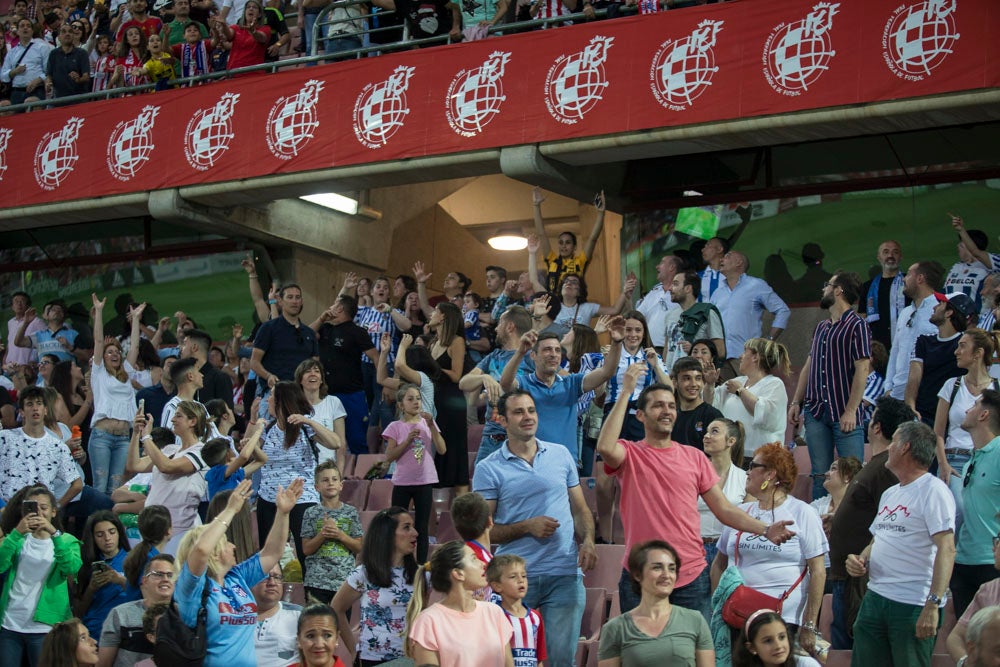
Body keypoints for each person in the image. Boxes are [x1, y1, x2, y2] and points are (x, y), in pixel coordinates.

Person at [597, 364, 795, 619]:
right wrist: (626, 392)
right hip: (641, 574)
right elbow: (605, 447)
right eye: (658, 406)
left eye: (671, 406)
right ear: (641, 415)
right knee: (641, 645)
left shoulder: (695, 457)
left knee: (694, 645)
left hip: (690, 576)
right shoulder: (630, 453)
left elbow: (724, 509)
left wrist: (765, 530)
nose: (667, 411)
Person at [473, 390, 598, 667]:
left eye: (531, 410)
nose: (527, 417)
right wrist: (526, 527)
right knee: (513, 661)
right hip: (513, 577)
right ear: (502, 420)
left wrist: (589, 540)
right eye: (518, 412)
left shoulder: (561, 454)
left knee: (561, 660)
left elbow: (580, 509)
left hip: (564, 573)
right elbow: (483, 532)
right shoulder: (488, 468)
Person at [846, 421, 956, 667]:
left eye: (893, 441)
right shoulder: (890, 493)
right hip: (875, 596)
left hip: (913, 602)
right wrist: (861, 559)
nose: (888, 447)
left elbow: (947, 548)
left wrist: (933, 604)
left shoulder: (934, 491)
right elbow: (878, 539)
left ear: (905, 447)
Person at [175, 477, 303, 667]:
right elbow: (201, 550)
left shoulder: (237, 577)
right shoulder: (192, 587)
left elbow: (272, 553)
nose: (233, 546)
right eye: (226, 542)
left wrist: (283, 513)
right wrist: (230, 510)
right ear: (214, 551)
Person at [712, 442, 827, 653]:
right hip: (737, 615)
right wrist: (718, 608)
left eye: (753, 466)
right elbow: (718, 564)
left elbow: (818, 571)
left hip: (782, 621)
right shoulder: (741, 512)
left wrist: (809, 624)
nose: (747, 472)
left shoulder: (803, 512)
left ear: (770, 474)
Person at [826, 396, 914, 650]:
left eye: (872, 417)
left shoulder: (885, 469)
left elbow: (890, 521)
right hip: (848, 574)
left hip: (859, 577)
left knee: (854, 648)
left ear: (876, 427)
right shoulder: (877, 466)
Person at [789, 272, 871, 500]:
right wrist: (796, 401)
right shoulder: (821, 327)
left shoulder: (858, 325)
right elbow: (809, 365)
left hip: (844, 412)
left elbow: (863, 369)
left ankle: (849, 519)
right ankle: (819, 517)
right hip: (816, 411)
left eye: (828, 285)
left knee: (851, 474)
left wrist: (851, 410)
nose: (823, 289)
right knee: (819, 475)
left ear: (838, 290)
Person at [500, 323, 625, 464]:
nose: (553, 354)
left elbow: (606, 372)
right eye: (547, 350)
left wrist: (617, 342)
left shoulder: (572, 383)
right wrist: (520, 352)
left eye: (557, 350)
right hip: (532, 463)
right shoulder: (524, 383)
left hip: (566, 464)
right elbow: (505, 383)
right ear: (533, 355)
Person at [257, 381, 341, 572]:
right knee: (268, 555)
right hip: (269, 497)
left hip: (302, 497)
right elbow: (248, 454)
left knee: (307, 554)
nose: (268, 400)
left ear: (281, 401)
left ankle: (311, 590)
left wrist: (309, 421)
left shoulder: (304, 427)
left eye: (272, 396)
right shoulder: (267, 428)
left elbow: (335, 443)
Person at [0, 484, 82, 667]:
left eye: (44, 508)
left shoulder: (67, 540)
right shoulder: (17, 539)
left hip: (46, 626)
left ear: (53, 512)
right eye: (33, 508)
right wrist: (16, 533)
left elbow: (71, 568)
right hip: (10, 622)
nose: (39, 513)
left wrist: (55, 534)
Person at [599, 540, 714, 667]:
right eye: (657, 567)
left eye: (672, 569)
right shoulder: (615, 629)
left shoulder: (696, 621)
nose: (666, 575)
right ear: (637, 575)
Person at [330, 506, 419, 665]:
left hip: (411, 659)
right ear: (387, 534)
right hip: (371, 659)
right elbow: (336, 608)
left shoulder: (422, 575)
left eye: (413, 526)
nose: (415, 533)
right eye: (406, 527)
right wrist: (353, 649)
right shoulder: (364, 573)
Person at [406, 539, 514, 666]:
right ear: (458, 573)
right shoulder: (429, 621)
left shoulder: (494, 612)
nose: (483, 564)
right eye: (474, 559)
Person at [933, 329, 999, 520]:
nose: (956, 351)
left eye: (962, 346)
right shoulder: (952, 385)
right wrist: (943, 464)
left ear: (978, 353)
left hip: (987, 460)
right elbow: (937, 432)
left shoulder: (997, 388)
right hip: (953, 459)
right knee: (960, 510)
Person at [459, 305, 534, 464]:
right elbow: (464, 383)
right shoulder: (494, 356)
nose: (496, 328)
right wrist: (483, 377)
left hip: (520, 436)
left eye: (500, 323)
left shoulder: (530, 356)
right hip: (491, 438)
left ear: (510, 326)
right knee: (481, 479)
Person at [129, 401, 210, 550]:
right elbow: (134, 465)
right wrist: (136, 433)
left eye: (178, 416)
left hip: (180, 531)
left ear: (192, 421)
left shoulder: (201, 452)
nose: (172, 419)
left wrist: (147, 437)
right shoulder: (169, 450)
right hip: (152, 528)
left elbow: (166, 467)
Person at [383, 383, 446, 563]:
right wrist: (407, 441)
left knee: (422, 527)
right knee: (397, 524)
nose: (416, 402)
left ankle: (421, 566)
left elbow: (442, 449)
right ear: (401, 405)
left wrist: (432, 426)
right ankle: (398, 562)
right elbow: (389, 456)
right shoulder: (395, 426)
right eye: (410, 399)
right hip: (402, 482)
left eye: (418, 398)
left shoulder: (427, 423)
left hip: (424, 481)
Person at [951, 389, 1000, 618]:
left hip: (992, 563)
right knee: (967, 635)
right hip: (964, 562)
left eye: (973, 405)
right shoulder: (972, 458)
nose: (966, 410)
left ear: (983, 415)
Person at [89, 294, 144, 496]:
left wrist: (135, 320)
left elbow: (135, 346)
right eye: (109, 352)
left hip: (123, 439)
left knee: (115, 489)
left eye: (117, 352)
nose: (115, 354)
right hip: (102, 437)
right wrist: (99, 312)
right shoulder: (99, 373)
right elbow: (98, 340)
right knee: (100, 486)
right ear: (102, 357)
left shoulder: (126, 373)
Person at [311, 295, 378, 456]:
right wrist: (321, 318)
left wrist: (381, 384)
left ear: (339, 308)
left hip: (351, 394)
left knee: (357, 439)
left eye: (334, 304)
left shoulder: (357, 332)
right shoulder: (325, 328)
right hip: (325, 394)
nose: (330, 307)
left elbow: (376, 357)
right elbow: (305, 334)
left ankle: (361, 470)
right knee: (325, 439)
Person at [709, 251, 790, 381]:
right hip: (721, 358)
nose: (721, 260)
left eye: (727, 256)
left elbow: (783, 310)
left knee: (750, 392)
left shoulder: (756, 285)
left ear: (739, 262)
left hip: (747, 356)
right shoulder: (717, 293)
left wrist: (768, 341)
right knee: (725, 394)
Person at [708, 338, 791, 464]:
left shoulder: (774, 384)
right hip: (730, 453)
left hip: (759, 457)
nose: (740, 356)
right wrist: (709, 384)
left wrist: (740, 391)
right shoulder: (738, 381)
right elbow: (711, 405)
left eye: (745, 352)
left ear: (755, 357)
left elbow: (763, 414)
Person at [0, 386, 83, 508]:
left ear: (45, 410)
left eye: (39, 403)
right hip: (9, 510)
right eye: (29, 404)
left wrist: (56, 508)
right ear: (21, 412)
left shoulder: (57, 446)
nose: (35, 408)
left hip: (41, 512)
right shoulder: (4, 438)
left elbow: (77, 484)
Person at [300, 461, 363, 605]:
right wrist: (323, 534)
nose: (330, 483)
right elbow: (306, 549)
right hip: (316, 581)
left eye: (334, 479)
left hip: (344, 581)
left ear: (341, 485)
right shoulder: (310, 512)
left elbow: (359, 547)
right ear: (317, 487)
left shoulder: (351, 512)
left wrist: (340, 535)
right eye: (325, 480)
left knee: (341, 619)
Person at [97, 553, 176, 667]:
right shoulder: (120, 614)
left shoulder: (185, 616)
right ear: (145, 581)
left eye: (170, 575)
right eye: (158, 574)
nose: (165, 579)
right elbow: (104, 663)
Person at [905, 292, 972, 425]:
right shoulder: (923, 341)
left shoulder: (965, 345)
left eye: (941, 304)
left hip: (954, 419)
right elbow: (913, 379)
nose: (934, 307)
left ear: (949, 313)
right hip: (922, 416)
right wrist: (910, 407)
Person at [251, 284, 319, 410]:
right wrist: (268, 376)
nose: (294, 301)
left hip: (303, 397)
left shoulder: (309, 333)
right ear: (280, 301)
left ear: (302, 301)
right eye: (290, 297)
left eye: (297, 297)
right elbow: (254, 362)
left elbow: (315, 365)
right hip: (274, 396)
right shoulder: (268, 328)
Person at [883, 261, 945, 399]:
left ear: (920, 278)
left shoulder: (940, 311)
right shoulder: (905, 313)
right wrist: (888, 387)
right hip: (897, 393)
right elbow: (895, 351)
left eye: (908, 274)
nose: (904, 279)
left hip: (926, 393)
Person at [426, 302, 470, 493]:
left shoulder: (456, 341)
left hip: (451, 403)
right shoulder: (433, 342)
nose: (431, 314)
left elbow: (456, 375)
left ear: (443, 316)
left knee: (455, 455)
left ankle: (463, 505)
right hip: (433, 400)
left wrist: (432, 368)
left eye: (435, 311)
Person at [530, 186, 607, 292]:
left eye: (568, 242)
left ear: (575, 247)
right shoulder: (552, 260)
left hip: (574, 301)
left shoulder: (580, 261)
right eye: (561, 242)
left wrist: (601, 213)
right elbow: (541, 233)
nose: (564, 246)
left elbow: (593, 238)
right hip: (554, 301)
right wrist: (536, 205)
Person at [73, 511, 134, 642]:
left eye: (112, 532)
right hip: (95, 632)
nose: (107, 538)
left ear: (119, 532)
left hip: (125, 631)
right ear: (93, 538)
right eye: (100, 535)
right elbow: (78, 612)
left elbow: (144, 597)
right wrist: (91, 589)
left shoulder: (133, 560)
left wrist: (121, 581)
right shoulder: (84, 565)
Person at [698, 419, 748, 567]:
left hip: (728, 551)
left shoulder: (745, 478)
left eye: (714, 431)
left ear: (731, 441)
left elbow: (748, 518)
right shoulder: (694, 474)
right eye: (706, 431)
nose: (706, 436)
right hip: (695, 548)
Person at [485, 554, 545, 665]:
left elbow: (539, 658)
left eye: (524, 576)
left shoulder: (535, 617)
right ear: (497, 586)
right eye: (513, 577)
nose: (521, 580)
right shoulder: (494, 615)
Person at [661, 269, 725, 371]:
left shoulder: (706, 313)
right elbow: (667, 349)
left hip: (696, 374)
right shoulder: (669, 315)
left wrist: (694, 350)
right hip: (671, 375)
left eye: (675, 284)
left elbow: (720, 351)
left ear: (688, 288)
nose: (670, 288)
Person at [860, 240, 906, 352]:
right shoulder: (868, 287)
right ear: (879, 257)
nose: (890, 255)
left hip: (905, 344)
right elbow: (862, 316)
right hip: (878, 348)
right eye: (886, 252)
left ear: (901, 257)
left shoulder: (909, 282)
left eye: (895, 252)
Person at [253, 562, 302, 667]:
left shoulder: (300, 616)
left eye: (277, 577)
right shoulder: (231, 616)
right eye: (265, 577)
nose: (272, 583)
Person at [732, 611, 821, 667]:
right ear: (752, 648)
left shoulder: (806, 664)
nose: (778, 646)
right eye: (768, 641)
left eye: (782, 637)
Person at [672, 356, 723, 450]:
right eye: (687, 378)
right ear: (675, 382)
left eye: (698, 378)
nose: (693, 384)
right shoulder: (672, 417)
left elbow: (719, 454)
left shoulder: (712, 415)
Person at [635, 254, 683, 351]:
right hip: (647, 348)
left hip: (669, 349)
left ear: (672, 267)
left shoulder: (681, 293)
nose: (657, 267)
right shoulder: (653, 293)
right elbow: (637, 316)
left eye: (662, 263)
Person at [0, 19, 53, 106]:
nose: (25, 28)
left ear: (32, 31)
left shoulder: (42, 47)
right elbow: (3, 76)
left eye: (28, 26)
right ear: (17, 31)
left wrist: (38, 80)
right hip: (16, 91)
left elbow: (48, 71)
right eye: (22, 26)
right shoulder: (12, 52)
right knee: (4, 106)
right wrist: (14, 72)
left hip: (36, 90)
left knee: (31, 103)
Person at [181, 328, 234, 410]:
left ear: (194, 347)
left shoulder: (219, 378)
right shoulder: (183, 378)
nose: (180, 348)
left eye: (184, 344)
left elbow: (226, 414)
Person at [14, 299, 79, 364]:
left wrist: (70, 347)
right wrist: (26, 323)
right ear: (45, 316)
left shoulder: (73, 334)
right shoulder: (38, 335)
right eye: (53, 310)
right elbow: (18, 342)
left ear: (63, 315)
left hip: (66, 370)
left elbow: (84, 356)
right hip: (44, 371)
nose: (57, 311)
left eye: (60, 310)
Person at [209, 0, 270, 70]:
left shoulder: (265, 29)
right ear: (244, 13)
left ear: (259, 14)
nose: (251, 9)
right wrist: (223, 24)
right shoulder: (236, 28)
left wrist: (253, 31)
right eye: (248, 7)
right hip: (234, 72)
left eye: (254, 7)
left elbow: (261, 37)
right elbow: (229, 35)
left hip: (254, 72)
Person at [45, 23, 88, 97]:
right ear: (58, 37)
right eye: (63, 32)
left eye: (70, 32)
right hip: (58, 98)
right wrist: (48, 83)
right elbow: (49, 75)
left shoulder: (82, 53)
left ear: (73, 36)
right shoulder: (53, 54)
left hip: (78, 98)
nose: (67, 34)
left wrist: (79, 79)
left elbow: (86, 77)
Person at [6, 291, 46, 366]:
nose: (19, 304)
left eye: (22, 301)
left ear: (28, 306)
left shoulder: (37, 321)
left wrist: (36, 360)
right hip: (9, 367)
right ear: (12, 306)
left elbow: (46, 340)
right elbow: (9, 344)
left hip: (27, 367)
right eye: (16, 301)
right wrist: (4, 360)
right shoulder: (10, 322)